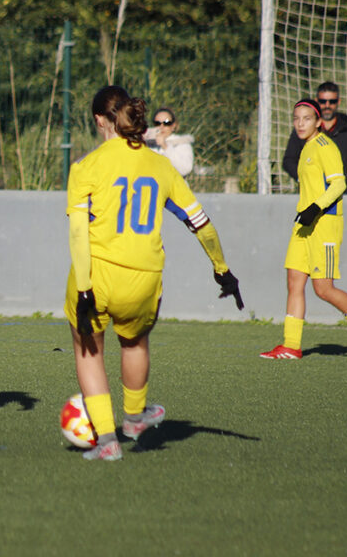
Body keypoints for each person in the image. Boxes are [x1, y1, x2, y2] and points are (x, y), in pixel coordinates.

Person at [66, 85, 244, 461]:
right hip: (144, 277)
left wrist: (83, 290)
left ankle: (108, 443)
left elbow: (80, 234)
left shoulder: (85, 166)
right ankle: (133, 418)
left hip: (97, 274)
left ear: (100, 121)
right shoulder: (161, 166)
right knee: (134, 342)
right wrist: (222, 270)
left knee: (89, 354)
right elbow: (202, 224)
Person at [261, 99, 347, 361]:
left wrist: (314, 209)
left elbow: (338, 185)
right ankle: (291, 345)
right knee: (294, 282)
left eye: (306, 118)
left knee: (323, 289)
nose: (300, 123)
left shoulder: (326, 146)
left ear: (318, 122)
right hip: (303, 225)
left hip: (324, 224)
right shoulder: (305, 148)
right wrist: (306, 213)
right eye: (296, 118)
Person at [282, 82, 347, 191]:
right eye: (323, 101)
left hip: (339, 194)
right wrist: (303, 178)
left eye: (332, 102)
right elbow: (289, 161)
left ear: (338, 102)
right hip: (309, 193)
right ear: (317, 101)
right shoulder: (303, 130)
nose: (327, 106)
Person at [145, 107, 194, 176]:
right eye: (157, 123)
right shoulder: (148, 144)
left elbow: (185, 169)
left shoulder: (182, 143)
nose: (161, 127)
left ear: (173, 126)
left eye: (166, 123)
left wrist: (165, 147)